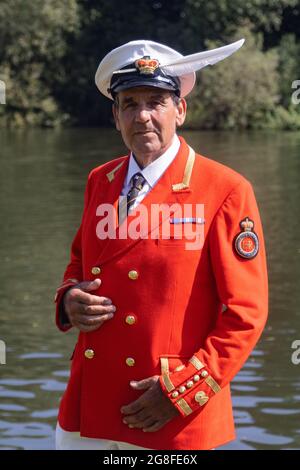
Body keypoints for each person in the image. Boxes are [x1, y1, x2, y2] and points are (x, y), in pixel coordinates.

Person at [54, 38, 268, 451]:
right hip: (88, 409)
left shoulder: (224, 189)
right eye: (130, 103)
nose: (144, 116)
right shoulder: (101, 179)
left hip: (168, 415)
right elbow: (79, 261)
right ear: (116, 117)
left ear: (180, 110)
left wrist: (181, 393)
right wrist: (68, 299)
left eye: (156, 101)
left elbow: (246, 314)